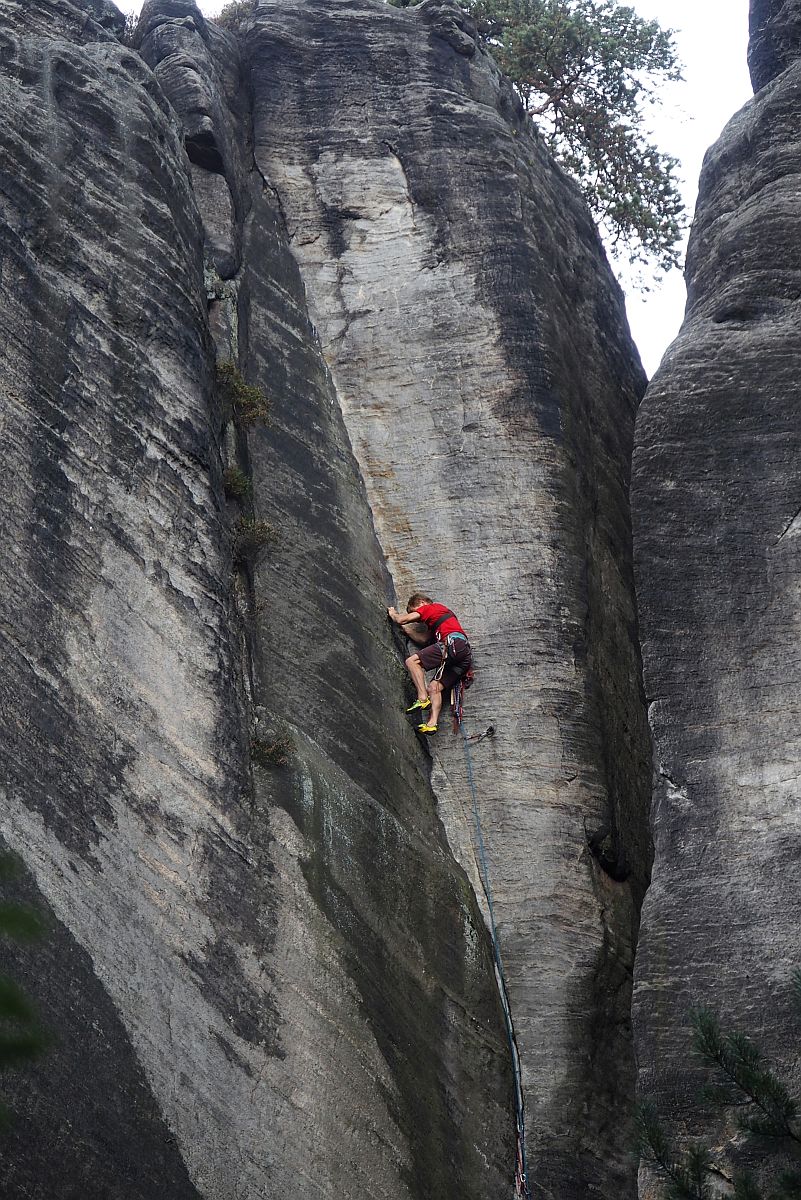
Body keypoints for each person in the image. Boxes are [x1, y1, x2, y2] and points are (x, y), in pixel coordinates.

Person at [387, 593, 472, 734]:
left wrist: (393, 614)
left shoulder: (431, 607)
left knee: (412, 661)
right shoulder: (439, 622)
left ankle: (422, 698)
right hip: (462, 657)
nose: (419, 620)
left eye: (415, 612)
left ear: (421, 603)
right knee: (434, 688)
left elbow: (401, 620)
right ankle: (432, 724)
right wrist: (407, 631)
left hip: (452, 644)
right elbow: (424, 640)